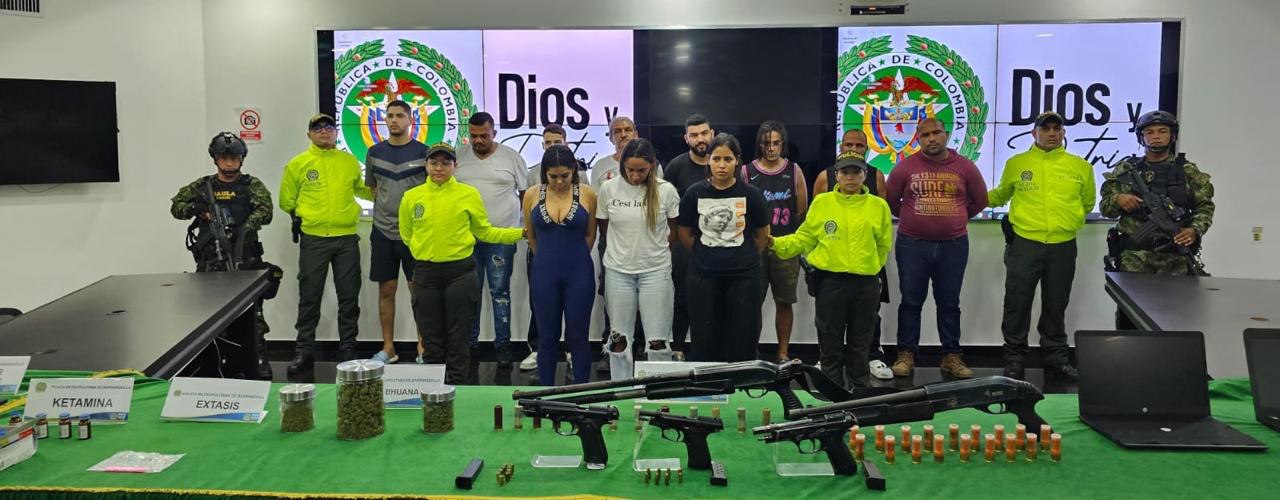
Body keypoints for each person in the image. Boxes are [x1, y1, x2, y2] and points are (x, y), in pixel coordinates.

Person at [401, 143, 526, 385]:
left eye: (445, 163)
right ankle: (433, 395)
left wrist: (521, 233)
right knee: (431, 338)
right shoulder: (411, 197)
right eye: (434, 163)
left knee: (459, 338)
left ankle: (459, 390)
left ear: (455, 166)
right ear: (426, 165)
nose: (439, 168)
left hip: (460, 273)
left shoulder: (468, 194)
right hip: (425, 274)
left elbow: (485, 232)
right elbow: (407, 235)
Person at [988, 111, 1096, 383]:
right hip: (1025, 243)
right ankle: (1014, 359)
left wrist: (1067, 223)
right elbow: (1001, 195)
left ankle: (1056, 359)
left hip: (1062, 245)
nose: (1051, 133)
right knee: (1017, 302)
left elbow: (1087, 203)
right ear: (1033, 133)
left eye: (1056, 129)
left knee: (1056, 304)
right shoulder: (1017, 163)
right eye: (1045, 128)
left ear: (1063, 133)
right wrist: (967, 194)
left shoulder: (1081, 166)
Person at [769, 151, 892, 388]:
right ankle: (830, 396)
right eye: (845, 172)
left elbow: (883, 244)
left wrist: (871, 268)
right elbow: (803, 239)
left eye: (856, 172)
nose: (850, 177)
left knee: (860, 345)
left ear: (865, 175)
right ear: (836, 175)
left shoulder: (878, 207)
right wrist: (775, 243)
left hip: (865, 285)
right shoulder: (822, 204)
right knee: (830, 344)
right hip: (830, 284)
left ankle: (860, 398)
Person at [884, 118, 988, 379]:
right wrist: (915, 219)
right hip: (912, 245)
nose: (931, 138)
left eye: (936, 133)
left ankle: (951, 357)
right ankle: (906, 355)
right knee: (910, 302)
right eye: (925, 135)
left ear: (946, 134)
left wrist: (955, 219)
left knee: (949, 303)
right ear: (918, 139)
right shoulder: (905, 167)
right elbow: (891, 201)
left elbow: (980, 200)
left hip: (953, 246)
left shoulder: (965, 167)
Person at [170, 132, 277, 379]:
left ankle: (258, 360)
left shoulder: (252, 185)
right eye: (224, 158)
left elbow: (266, 212)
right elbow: (177, 208)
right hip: (211, 262)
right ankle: (212, 364)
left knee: (253, 314)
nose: (229, 163)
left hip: (245, 259)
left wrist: (245, 226)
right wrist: (199, 210)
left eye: (234, 158)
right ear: (216, 160)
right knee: (209, 315)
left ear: (241, 160)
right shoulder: (202, 186)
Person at [1100, 110, 1215, 328]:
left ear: (1172, 136)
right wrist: (1118, 199)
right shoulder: (1126, 170)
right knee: (1130, 319)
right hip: (1134, 256)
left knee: (1175, 319)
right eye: (1149, 132)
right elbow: (1106, 207)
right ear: (1141, 137)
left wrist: (1194, 230)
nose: (1156, 136)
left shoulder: (1188, 171)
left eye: (1162, 131)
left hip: (1174, 258)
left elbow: (1205, 207)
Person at [279, 114, 372, 373]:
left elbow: (362, 190)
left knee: (349, 297)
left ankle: (349, 351)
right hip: (314, 239)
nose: (324, 131)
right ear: (309, 134)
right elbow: (286, 201)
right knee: (309, 298)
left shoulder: (348, 161)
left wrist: (381, 187)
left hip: (345, 239)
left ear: (335, 133)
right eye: (317, 128)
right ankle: (304, 353)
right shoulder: (298, 164)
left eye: (329, 127)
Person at [677, 133, 770, 362]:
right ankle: (710, 389)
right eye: (716, 159)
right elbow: (685, 233)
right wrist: (707, 254)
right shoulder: (694, 193)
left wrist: (741, 256)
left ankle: (741, 388)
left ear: (737, 160)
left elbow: (762, 235)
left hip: (744, 277)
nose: (721, 165)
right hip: (703, 276)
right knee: (705, 336)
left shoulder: (751, 195)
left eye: (727, 159)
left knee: (741, 336)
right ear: (708, 160)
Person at [597, 138, 681, 379]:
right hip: (618, 271)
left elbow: (672, 232)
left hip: (655, 272)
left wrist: (652, 253)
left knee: (658, 340)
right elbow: (605, 228)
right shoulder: (608, 189)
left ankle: (659, 392)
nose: (635, 176)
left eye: (641, 171)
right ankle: (620, 389)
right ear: (622, 165)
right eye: (630, 170)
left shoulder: (666, 191)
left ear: (652, 166)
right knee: (619, 339)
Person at [814, 129, 893, 380]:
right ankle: (829, 381)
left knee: (865, 327)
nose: (854, 148)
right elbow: (813, 229)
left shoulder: (877, 181)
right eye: (849, 144)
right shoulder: (823, 179)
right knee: (830, 330)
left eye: (859, 145)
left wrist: (872, 265)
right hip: (832, 274)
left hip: (866, 271)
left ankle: (869, 365)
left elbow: (883, 238)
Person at [454, 111, 529, 369]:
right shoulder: (458, 157)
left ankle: (503, 347)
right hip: (466, 239)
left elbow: (525, 194)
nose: (478, 141)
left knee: (500, 293)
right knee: (469, 295)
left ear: (494, 133)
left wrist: (520, 226)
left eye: (483, 135)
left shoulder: (511, 157)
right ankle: (471, 347)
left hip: (501, 237)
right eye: (473, 136)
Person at [523, 145, 597, 384]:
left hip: (579, 273)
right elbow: (531, 236)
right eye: (553, 176)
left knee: (578, 336)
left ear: (573, 170)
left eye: (564, 176)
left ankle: (582, 396)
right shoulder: (532, 194)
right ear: (545, 173)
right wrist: (546, 257)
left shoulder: (586, 194)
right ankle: (545, 395)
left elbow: (590, 235)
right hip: (544, 272)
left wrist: (572, 257)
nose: (559, 182)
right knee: (547, 337)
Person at [365, 100, 428, 365]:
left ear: (410, 119)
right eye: (389, 116)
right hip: (382, 232)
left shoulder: (425, 152)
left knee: (419, 291)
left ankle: (423, 348)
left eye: (399, 115)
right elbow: (373, 189)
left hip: (415, 235)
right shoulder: (374, 152)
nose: (393, 120)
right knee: (386, 290)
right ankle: (388, 347)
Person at [742, 120, 808, 363]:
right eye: (766, 143)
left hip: (785, 245)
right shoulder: (748, 171)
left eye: (776, 143)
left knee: (784, 300)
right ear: (759, 144)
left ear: (783, 144)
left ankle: (782, 353)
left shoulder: (793, 170)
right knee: (752, 302)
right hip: (755, 247)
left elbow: (802, 209)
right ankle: (752, 351)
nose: (771, 148)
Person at [662, 113, 715, 359]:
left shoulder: (723, 163)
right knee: (681, 296)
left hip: (718, 243)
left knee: (712, 298)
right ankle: (678, 347)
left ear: (712, 134)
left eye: (704, 133)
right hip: (684, 243)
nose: (700, 139)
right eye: (694, 135)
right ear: (686, 139)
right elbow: (664, 207)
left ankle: (707, 349)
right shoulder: (675, 167)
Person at [589, 116, 663, 189]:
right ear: (611, 138)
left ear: (636, 135)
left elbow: (659, 194)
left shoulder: (652, 164)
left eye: (628, 130)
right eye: (617, 131)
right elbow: (595, 199)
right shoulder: (599, 166)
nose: (623, 135)